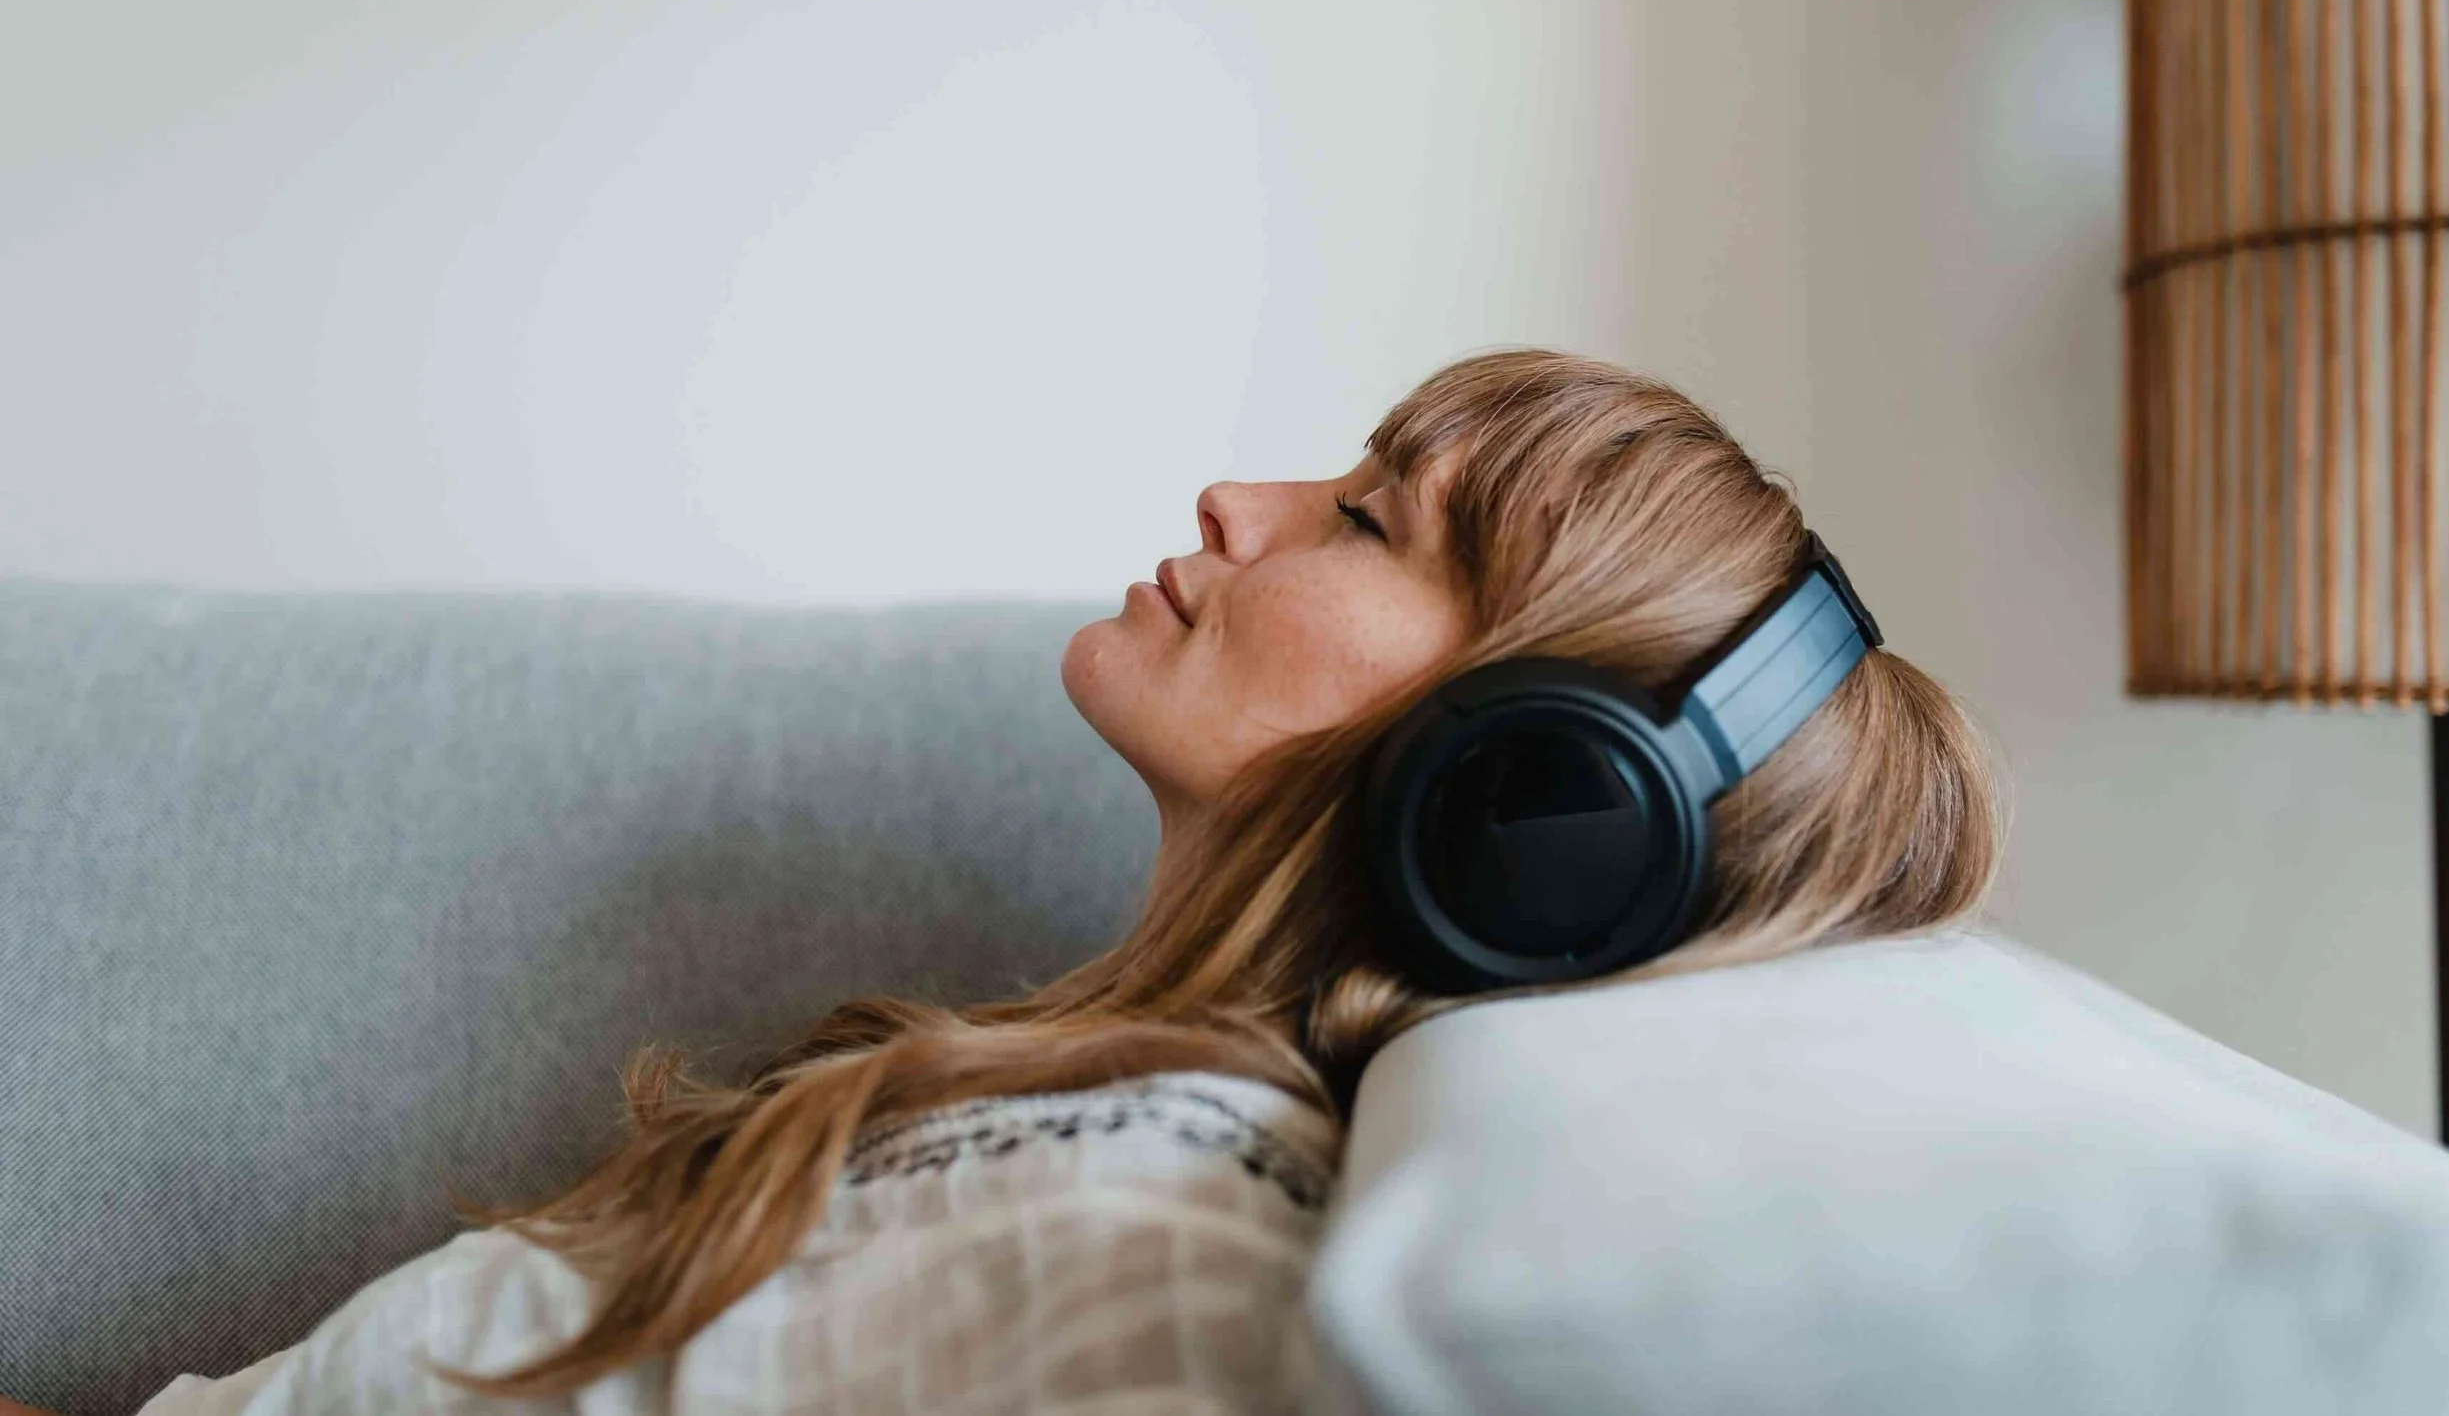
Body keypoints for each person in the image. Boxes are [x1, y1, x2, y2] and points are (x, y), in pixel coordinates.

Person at [114, 347, 1998, 1414]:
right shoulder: (1082, 1122)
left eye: (1365, 517)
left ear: (1535, 793)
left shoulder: (1180, 1246)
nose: (1236, 500)